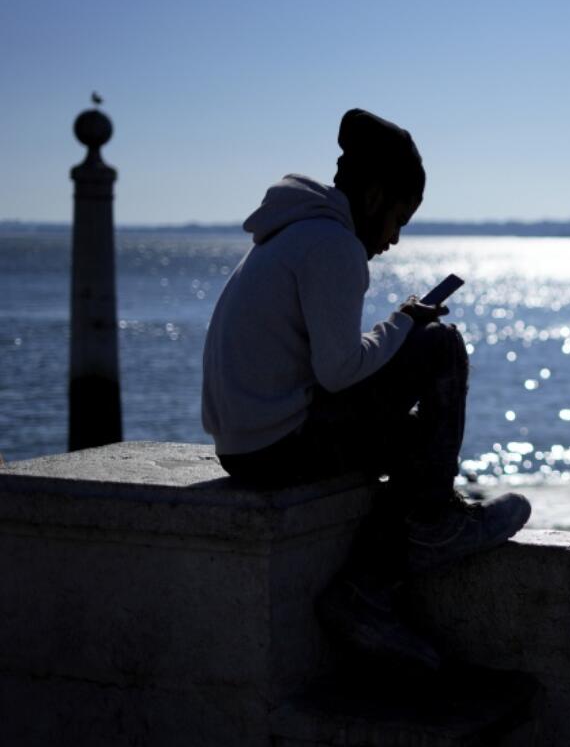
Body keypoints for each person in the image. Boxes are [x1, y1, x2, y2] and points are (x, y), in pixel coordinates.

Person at [201, 108, 530, 668]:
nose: (395, 239)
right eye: (399, 218)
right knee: (441, 346)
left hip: (246, 448)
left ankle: (368, 587)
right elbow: (340, 370)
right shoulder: (334, 246)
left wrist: (398, 323)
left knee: (411, 440)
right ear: (376, 197)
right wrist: (406, 324)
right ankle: (431, 529)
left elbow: (331, 365)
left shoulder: (289, 233)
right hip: (280, 448)